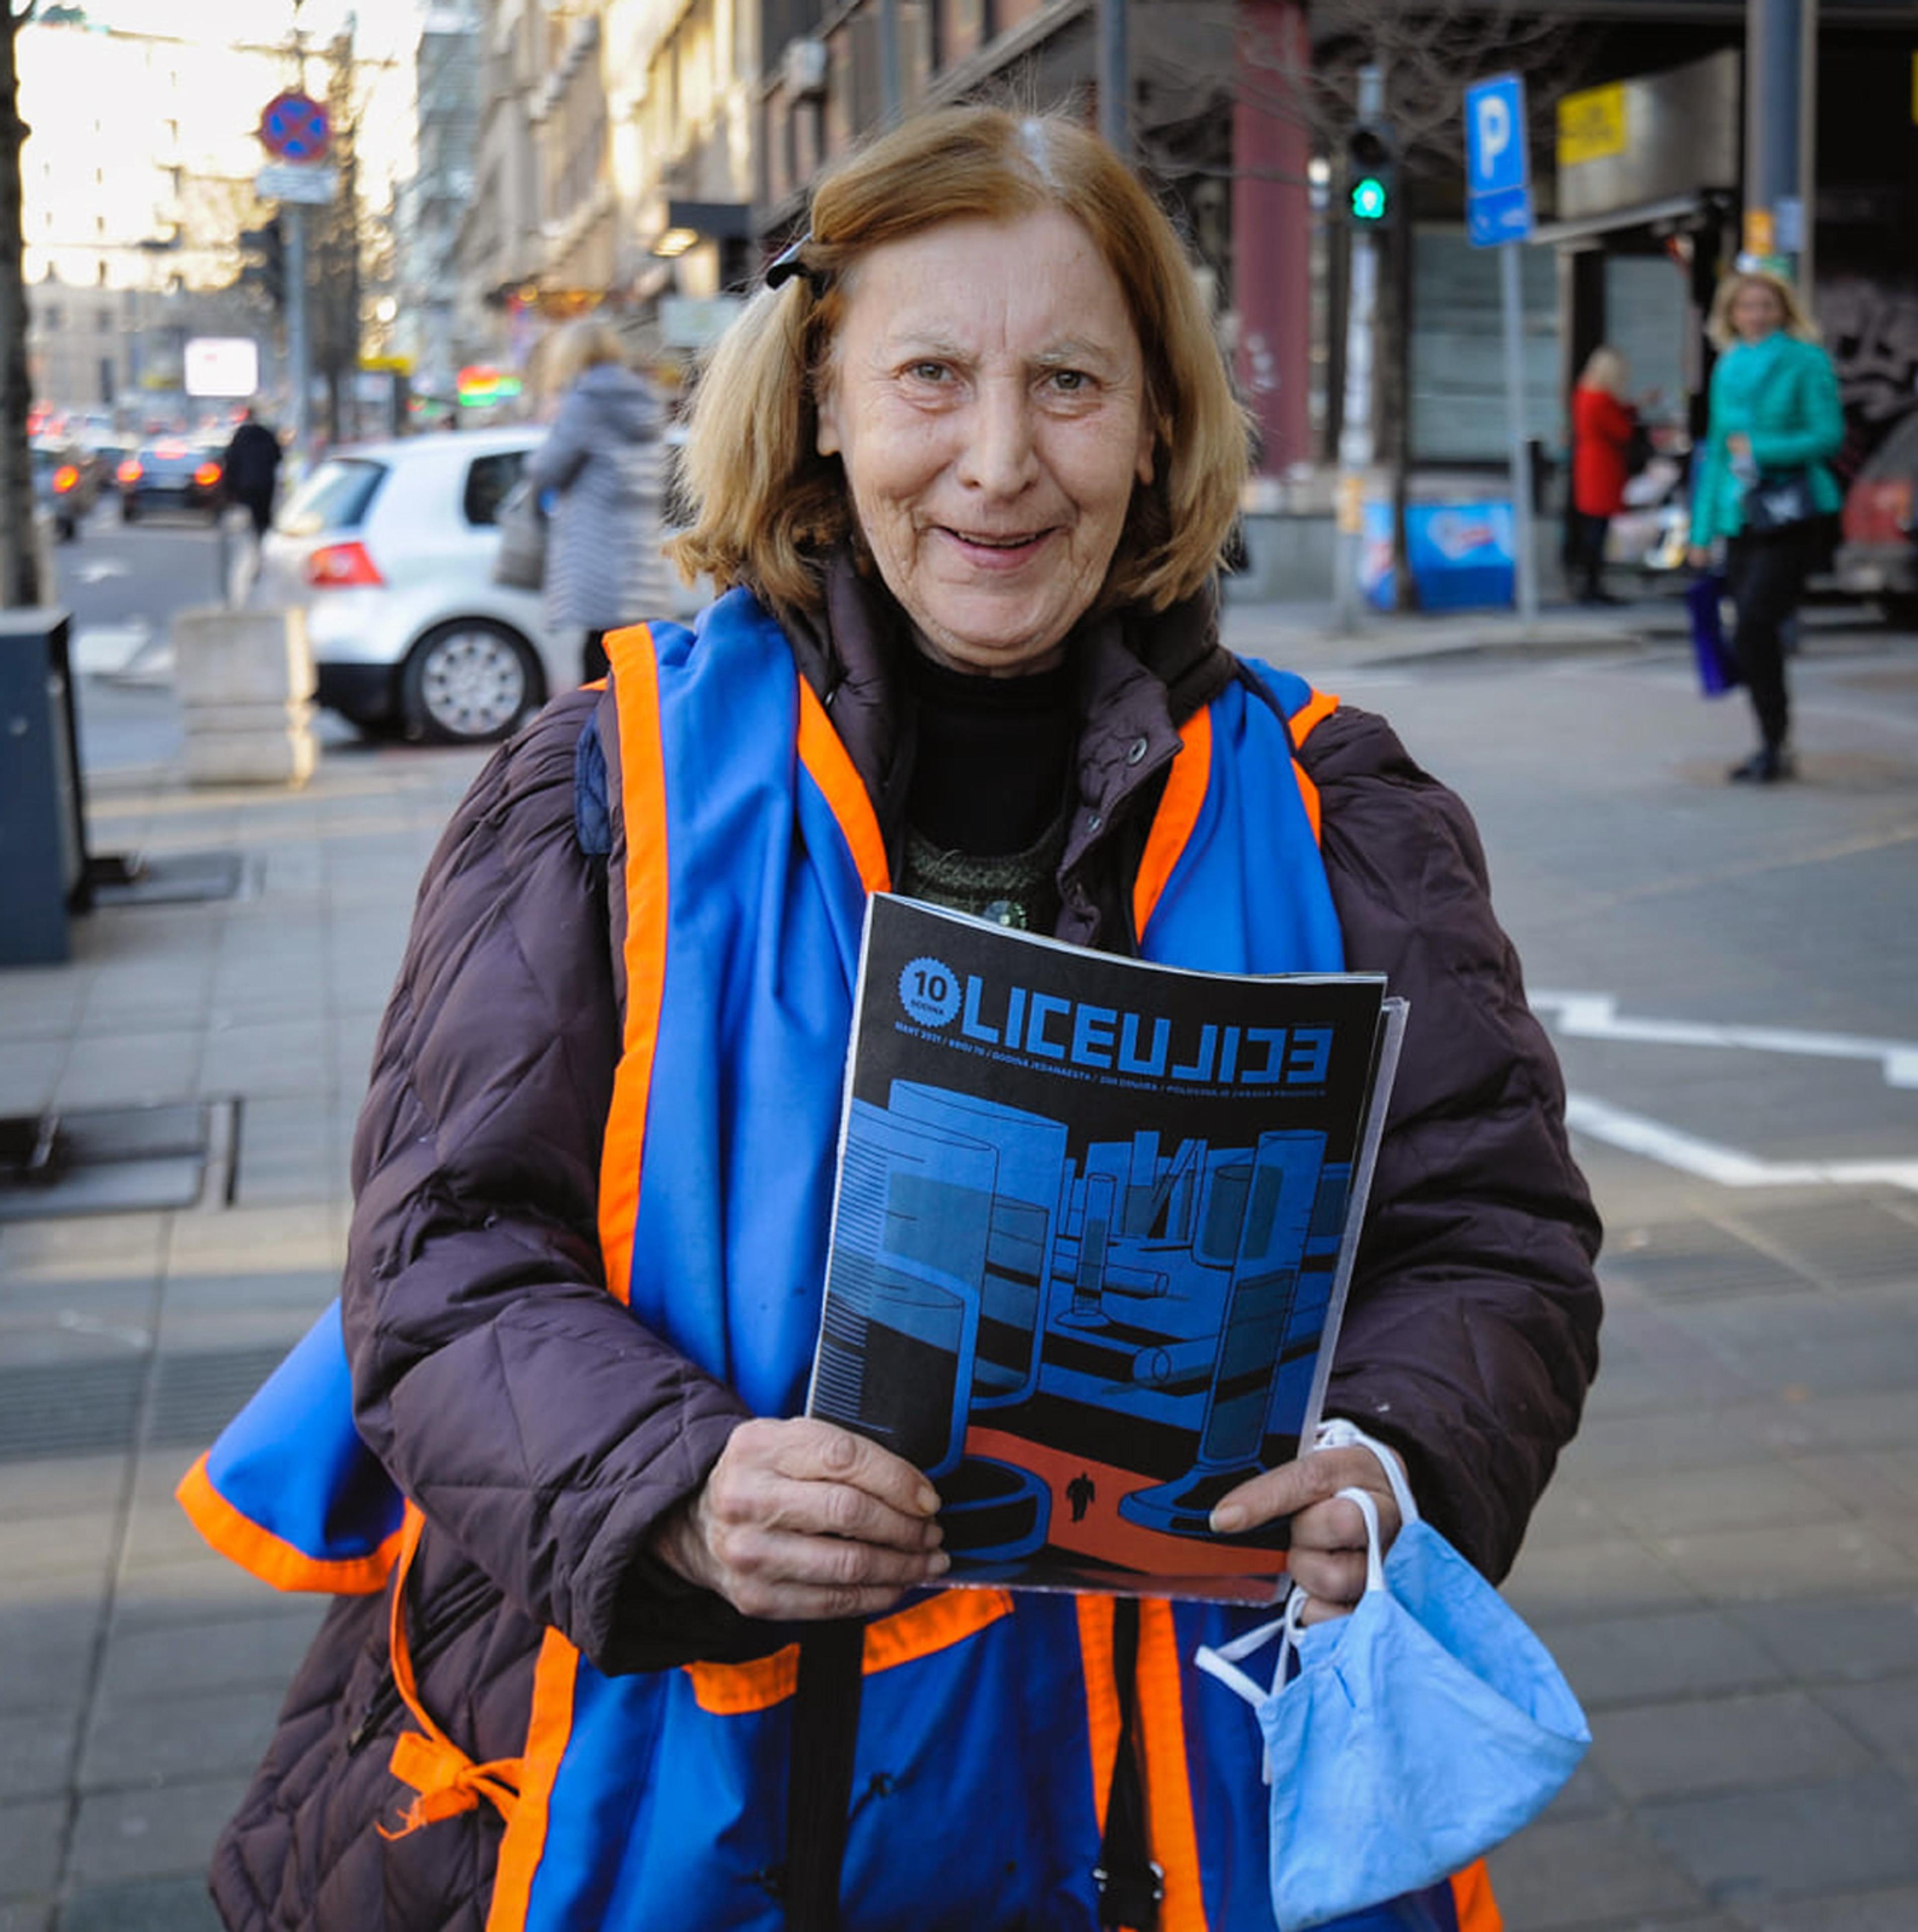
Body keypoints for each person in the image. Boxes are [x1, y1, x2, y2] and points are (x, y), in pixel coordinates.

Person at [194, 108, 1600, 1932]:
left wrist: (1401, 1459)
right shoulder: (597, 785)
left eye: (1072, 382)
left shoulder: (1346, 811)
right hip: (690, 1803)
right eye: (931, 374)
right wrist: (668, 1487)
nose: (999, 462)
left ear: (1161, 418)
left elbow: (1491, 1239)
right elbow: (441, 1254)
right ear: (828, 399)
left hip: (1173, 1824)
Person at [1687, 266, 1845, 782]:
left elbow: (1828, 435)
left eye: (1765, 306)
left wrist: (1762, 448)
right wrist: (1700, 532)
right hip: (1742, 516)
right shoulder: (1728, 366)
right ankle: (1771, 743)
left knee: (1755, 623)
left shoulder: (1806, 360)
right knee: (1754, 634)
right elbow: (1715, 455)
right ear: (1731, 314)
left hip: (1792, 513)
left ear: (1783, 311)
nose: (1755, 315)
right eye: (1745, 307)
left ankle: (1775, 743)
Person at [525, 316, 669, 682]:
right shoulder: (643, 400)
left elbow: (547, 469)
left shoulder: (585, 402)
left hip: (596, 547)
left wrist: (550, 425)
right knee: (631, 657)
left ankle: (600, 736)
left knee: (597, 659)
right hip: (638, 548)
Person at [1569, 347, 1640, 604]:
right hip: (1602, 468)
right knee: (1597, 531)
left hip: (1589, 464)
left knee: (1592, 528)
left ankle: (1588, 583)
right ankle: (1592, 585)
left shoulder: (1584, 394)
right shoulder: (1602, 399)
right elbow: (1622, 431)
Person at [220, 405, 283, 539]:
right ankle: (263, 536)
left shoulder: (240, 436)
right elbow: (278, 456)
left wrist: (230, 486)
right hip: (265, 483)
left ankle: (255, 538)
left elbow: (231, 460)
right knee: (264, 514)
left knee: (249, 514)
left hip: (245, 483)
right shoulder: (267, 434)